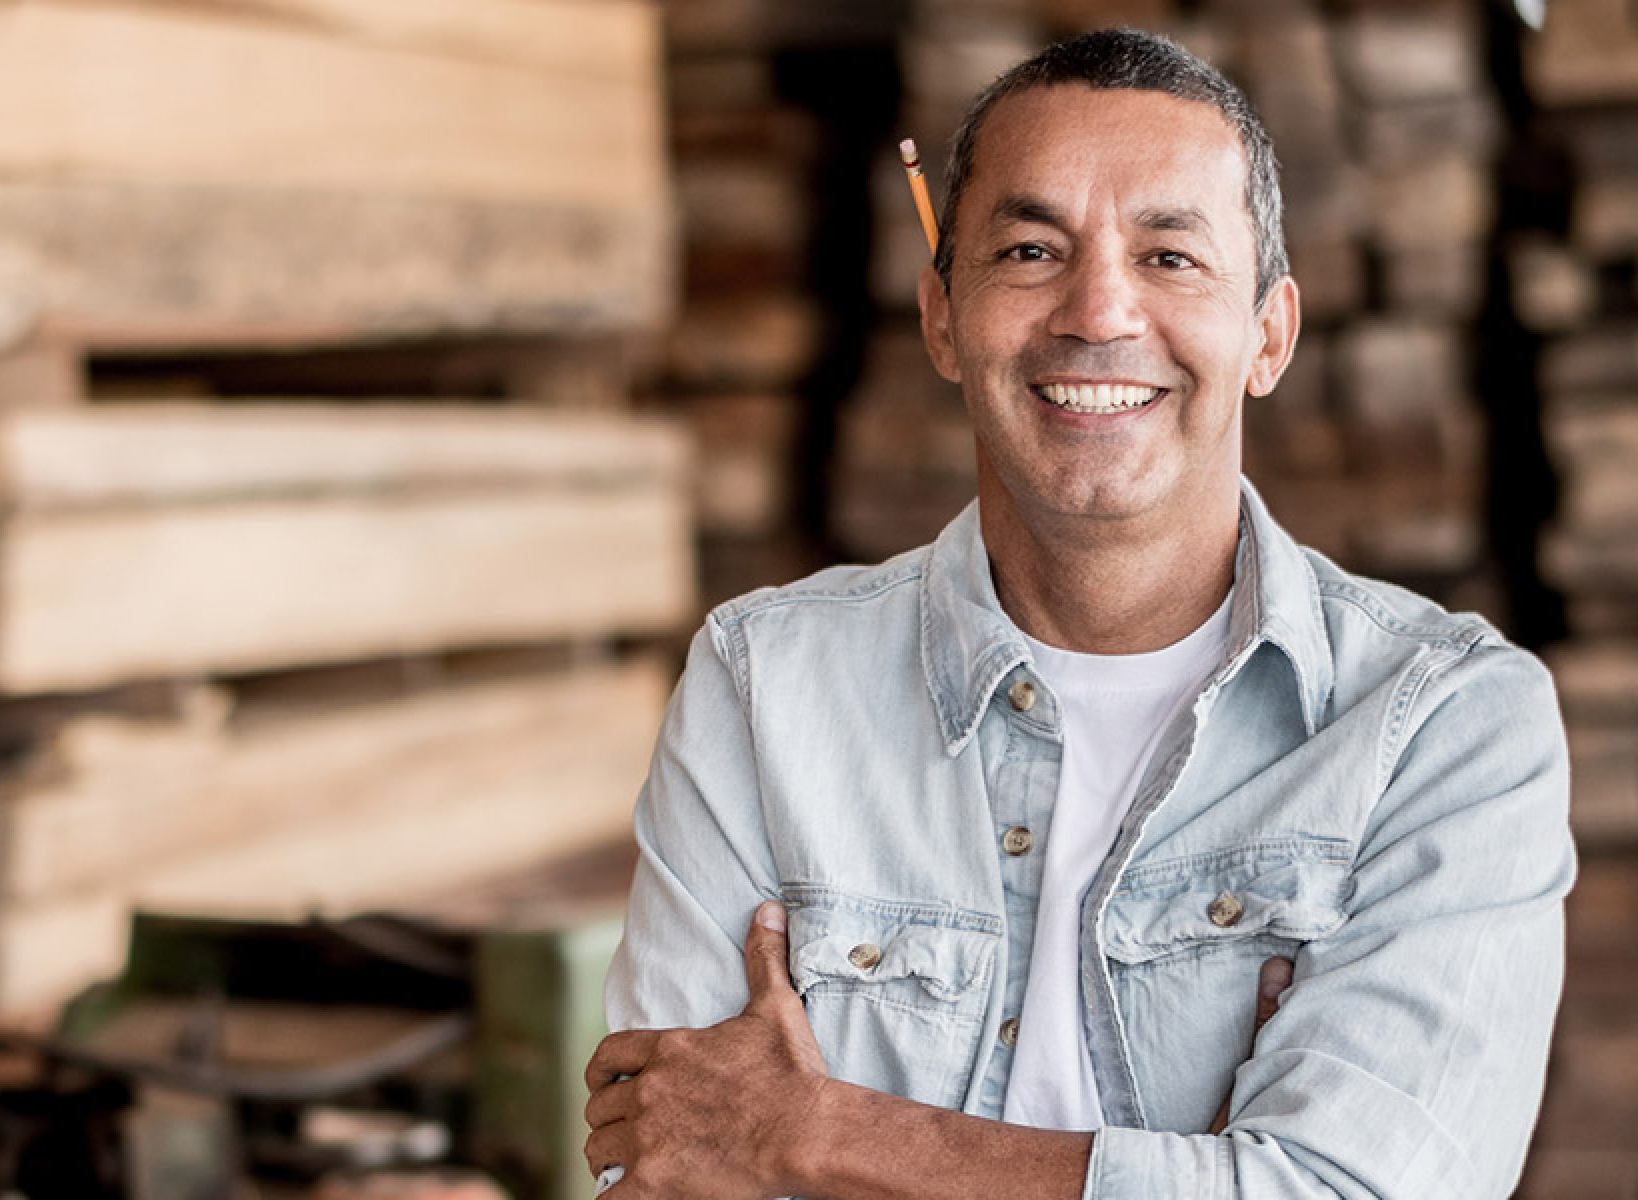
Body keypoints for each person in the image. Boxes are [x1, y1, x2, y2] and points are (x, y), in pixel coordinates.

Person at [580, 28, 1572, 1199]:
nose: (1099, 311)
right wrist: (1211, 1169)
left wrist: (818, 1134)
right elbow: (670, 1168)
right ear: (943, 318)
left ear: (1270, 333)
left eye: (1170, 257)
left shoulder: (1442, 727)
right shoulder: (763, 687)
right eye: (1031, 248)